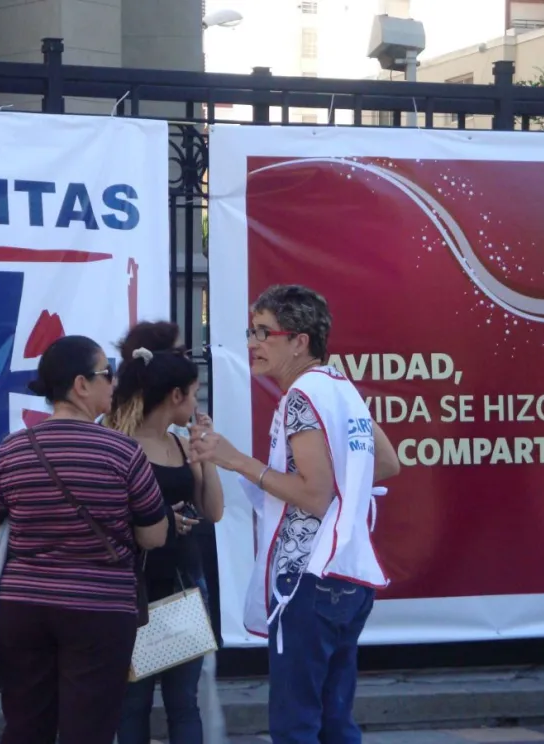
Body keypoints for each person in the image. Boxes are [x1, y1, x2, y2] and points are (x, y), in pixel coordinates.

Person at [189, 285, 401, 744]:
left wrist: (235, 460)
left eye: (264, 332)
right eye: (251, 331)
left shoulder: (302, 397)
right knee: (333, 719)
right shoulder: (340, 386)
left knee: (296, 723)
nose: (252, 342)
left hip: (310, 576)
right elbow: (385, 462)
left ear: (299, 340)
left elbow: (315, 494)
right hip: (350, 574)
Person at [0, 335, 171, 744]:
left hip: (23, 609)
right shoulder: (124, 452)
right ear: (80, 385)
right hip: (100, 610)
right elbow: (155, 535)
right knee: (88, 729)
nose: (114, 384)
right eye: (107, 375)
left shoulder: (11, 451)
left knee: (25, 724)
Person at [105, 321, 225, 744]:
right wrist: (159, 520)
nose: (195, 403)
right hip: (134, 593)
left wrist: (205, 455)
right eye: (193, 394)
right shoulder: (117, 442)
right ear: (175, 395)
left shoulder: (178, 443)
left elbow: (213, 510)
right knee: (132, 705)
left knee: (183, 703)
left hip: (183, 589)